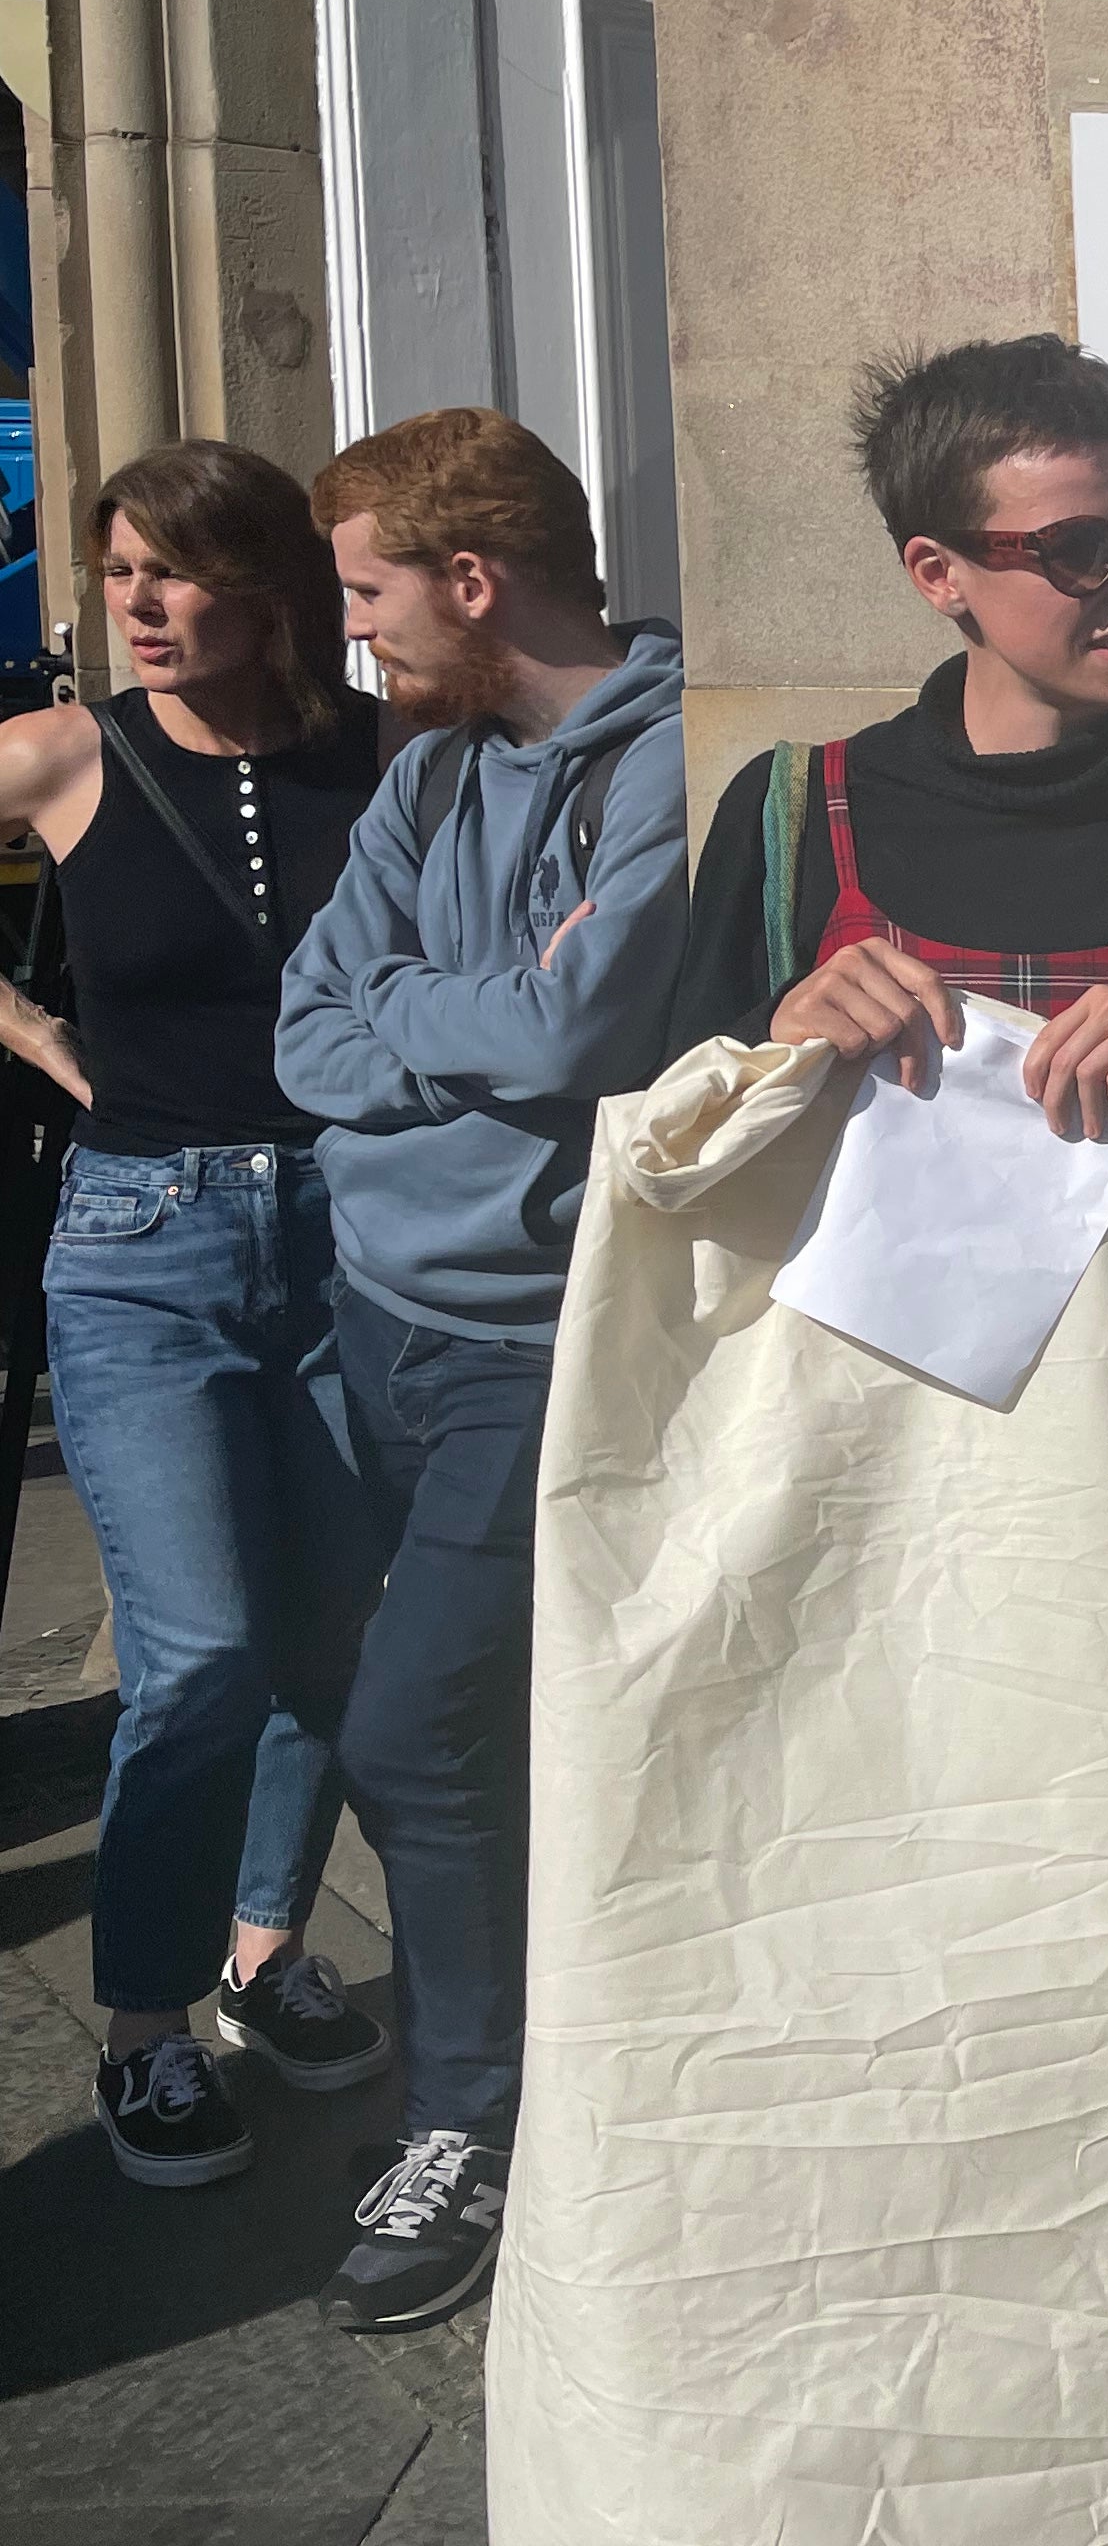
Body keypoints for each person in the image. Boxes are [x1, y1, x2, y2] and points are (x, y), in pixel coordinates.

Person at [273, 406, 694, 2331]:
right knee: (414, 1713)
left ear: (468, 579)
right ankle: (537, 2068)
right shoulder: (432, 767)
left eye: (367, 591)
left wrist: (437, 1027)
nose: (352, 633)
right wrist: (480, 1028)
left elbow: (585, 1024)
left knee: (414, 1731)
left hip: (537, 1344)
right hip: (374, 1312)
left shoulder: (677, 753)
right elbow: (309, 1027)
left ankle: (471, 2123)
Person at [0, 445, 393, 2187]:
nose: (142, 606)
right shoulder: (66, 754)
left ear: (274, 585)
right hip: (142, 1245)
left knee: (322, 1637)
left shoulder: (377, 759)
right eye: (122, 572)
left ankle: (263, 1952)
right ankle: (146, 2026)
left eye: (179, 572)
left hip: (342, 1233)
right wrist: (33, 1036)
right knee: (200, 1654)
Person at [666, 337, 1108, 1114]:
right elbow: (665, 1132)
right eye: (1079, 550)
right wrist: (773, 1034)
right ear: (940, 575)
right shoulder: (795, 815)